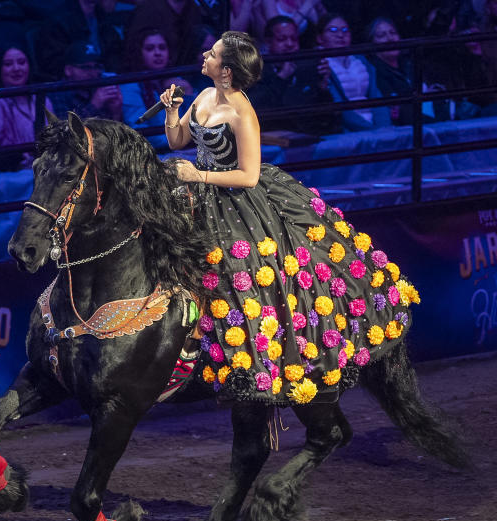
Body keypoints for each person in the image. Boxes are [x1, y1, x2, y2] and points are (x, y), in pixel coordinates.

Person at [158, 31, 419, 404]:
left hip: (235, 202)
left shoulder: (241, 113)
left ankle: (253, 361)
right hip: (200, 192)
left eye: (212, 53)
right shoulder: (203, 95)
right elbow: (177, 141)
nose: (204, 54)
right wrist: (171, 111)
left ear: (227, 71)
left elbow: (248, 176)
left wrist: (198, 175)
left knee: (239, 274)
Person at [249, 15, 336, 133]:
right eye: (282, 39)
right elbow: (256, 107)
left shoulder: (308, 66)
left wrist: (323, 87)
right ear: (268, 42)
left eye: (294, 39)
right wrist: (281, 78)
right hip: (269, 134)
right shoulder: (255, 70)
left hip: (308, 133)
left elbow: (326, 114)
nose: (290, 44)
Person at [0, 45, 54, 170]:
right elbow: (0, 146)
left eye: (22, 62)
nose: (16, 69)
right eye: (8, 64)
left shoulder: (41, 98)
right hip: (11, 170)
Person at [316, 12, 391, 131]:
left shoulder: (361, 59)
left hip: (375, 125)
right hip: (346, 129)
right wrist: (370, 131)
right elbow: (339, 107)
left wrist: (384, 127)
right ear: (319, 38)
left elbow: (376, 96)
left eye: (345, 30)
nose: (340, 35)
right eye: (333, 30)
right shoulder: (320, 64)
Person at [119, 28, 193, 149]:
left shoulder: (177, 81)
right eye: (150, 48)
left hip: (183, 147)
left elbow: (197, 122)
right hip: (154, 153)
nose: (157, 53)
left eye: (162, 48)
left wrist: (189, 93)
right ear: (139, 53)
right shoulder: (130, 87)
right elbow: (140, 133)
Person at [49, 41, 123, 121]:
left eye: (97, 67)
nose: (93, 73)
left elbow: (112, 131)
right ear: (68, 70)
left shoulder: (99, 89)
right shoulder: (57, 94)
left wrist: (116, 113)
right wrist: (94, 105)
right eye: (86, 67)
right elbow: (64, 130)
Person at [364, 17, 413, 126]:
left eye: (393, 33)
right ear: (372, 43)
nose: (390, 38)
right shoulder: (375, 73)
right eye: (382, 35)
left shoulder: (408, 64)